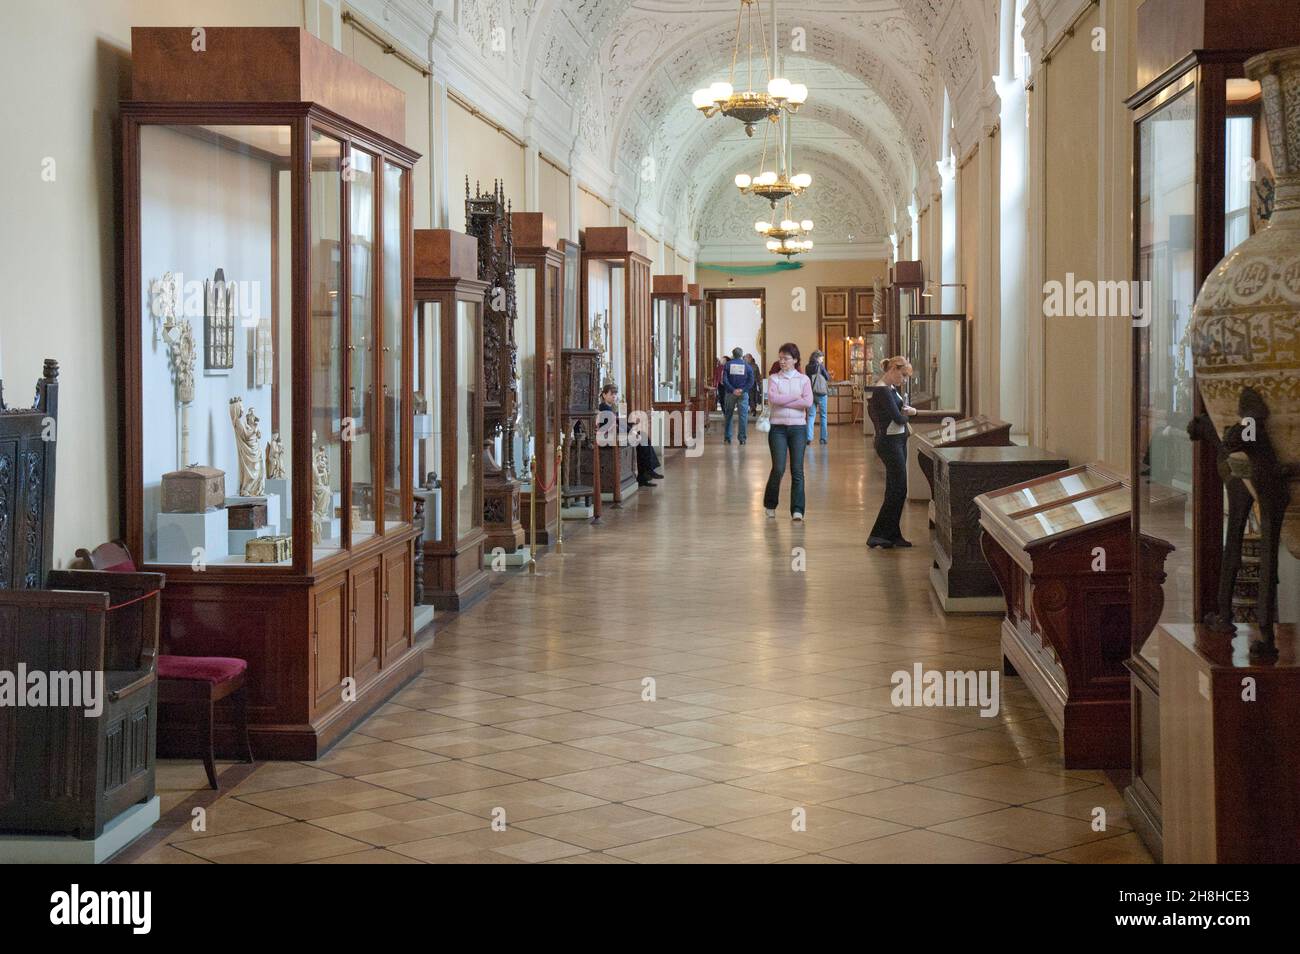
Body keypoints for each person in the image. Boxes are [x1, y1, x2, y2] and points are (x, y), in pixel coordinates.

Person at [866, 356, 917, 548]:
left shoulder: (890, 390)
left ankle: (892, 533)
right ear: (893, 369)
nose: (903, 380)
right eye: (902, 375)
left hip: (896, 440)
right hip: (889, 442)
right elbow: (897, 418)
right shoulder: (882, 391)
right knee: (898, 488)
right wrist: (911, 413)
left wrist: (904, 413)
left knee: (897, 489)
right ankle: (878, 534)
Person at [763, 343, 813, 521]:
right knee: (778, 468)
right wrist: (795, 398)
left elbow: (807, 402)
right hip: (778, 428)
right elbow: (773, 399)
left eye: (786, 358)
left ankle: (798, 509)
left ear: (795, 360)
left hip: (798, 428)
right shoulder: (774, 378)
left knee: (797, 470)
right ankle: (770, 503)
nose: (782, 361)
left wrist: (784, 400)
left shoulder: (804, 380)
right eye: (780, 358)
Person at [598, 382, 663, 487]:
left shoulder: (610, 407)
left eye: (615, 394)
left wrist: (632, 426)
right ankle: (647, 472)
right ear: (604, 395)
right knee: (642, 439)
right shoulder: (604, 407)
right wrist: (631, 432)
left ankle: (645, 474)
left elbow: (619, 422)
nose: (614, 396)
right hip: (609, 437)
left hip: (617, 434)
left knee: (643, 439)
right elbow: (615, 423)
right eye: (611, 394)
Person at [721, 347, 755, 444]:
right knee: (743, 416)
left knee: (728, 415)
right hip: (743, 394)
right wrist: (743, 390)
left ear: (733, 354)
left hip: (730, 393)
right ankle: (742, 439)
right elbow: (751, 381)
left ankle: (728, 438)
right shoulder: (747, 366)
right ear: (741, 355)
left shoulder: (727, 365)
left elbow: (725, 380)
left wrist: (733, 390)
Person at [805, 350, 831, 444]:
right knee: (823, 416)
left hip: (811, 393)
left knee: (811, 416)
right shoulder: (820, 366)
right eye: (821, 358)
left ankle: (809, 437)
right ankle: (823, 438)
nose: (822, 360)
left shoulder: (807, 367)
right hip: (821, 394)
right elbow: (828, 377)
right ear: (817, 358)